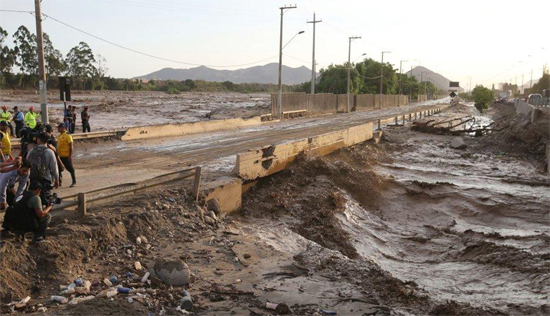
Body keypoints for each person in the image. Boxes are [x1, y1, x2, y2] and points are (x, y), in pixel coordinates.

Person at [26, 132, 59, 205]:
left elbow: (26, 163)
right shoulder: (49, 152)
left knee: (34, 199)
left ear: (38, 140)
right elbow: (54, 167)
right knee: (45, 199)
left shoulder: (31, 150)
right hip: (45, 179)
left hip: (33, 178)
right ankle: (45, 214)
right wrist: (57, 180)